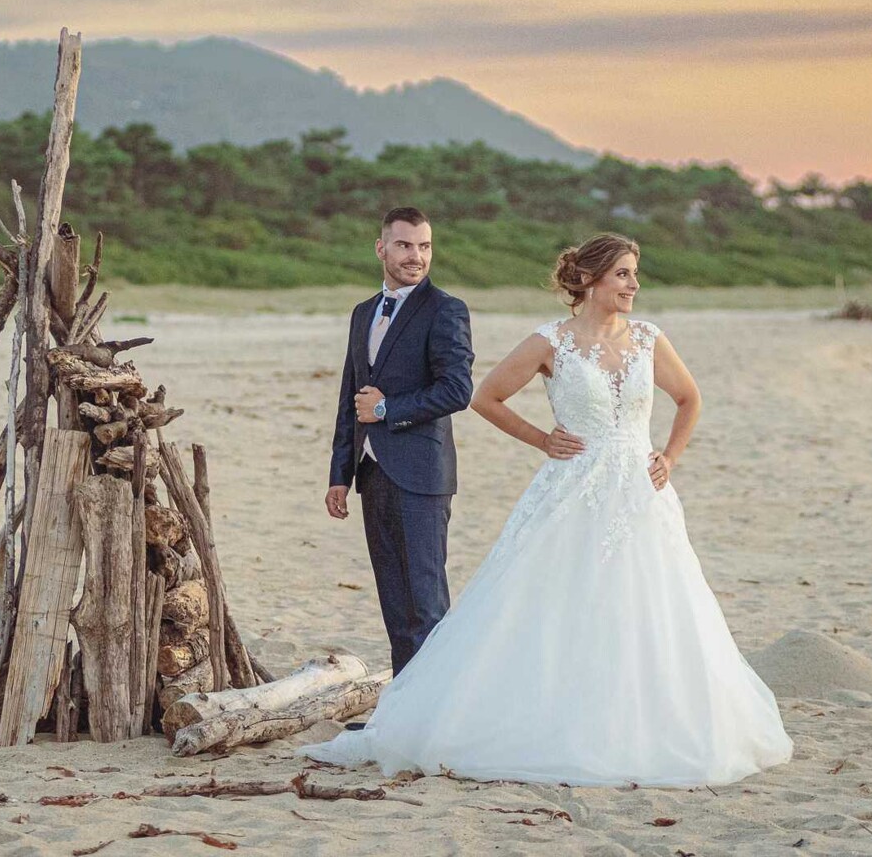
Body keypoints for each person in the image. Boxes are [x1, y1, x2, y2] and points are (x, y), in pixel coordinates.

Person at [306, 234, 793, 786]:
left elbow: (690, 399)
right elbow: (485, 397)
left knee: (651, 606)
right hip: (570, 490)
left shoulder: (650, 340)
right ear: (589, 280)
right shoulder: (550, 342)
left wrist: (670, 457)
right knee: (551, 605)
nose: (634, 285)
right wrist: (542, 440)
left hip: (640, 493)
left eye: (635, 275)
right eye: (624, 275)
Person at [324, 207, 473, 675]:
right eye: (405, 245)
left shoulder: (446, 309)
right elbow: (352, 396)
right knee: (393, 601)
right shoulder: (362, 313)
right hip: (372, 473)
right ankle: (399, 717)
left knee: (426, 605)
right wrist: (339, 476)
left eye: (424, 246)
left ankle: (432, 717)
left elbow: (457, 390)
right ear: (381, 248)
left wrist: (389, 409)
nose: (416, 256)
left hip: (422, 476)